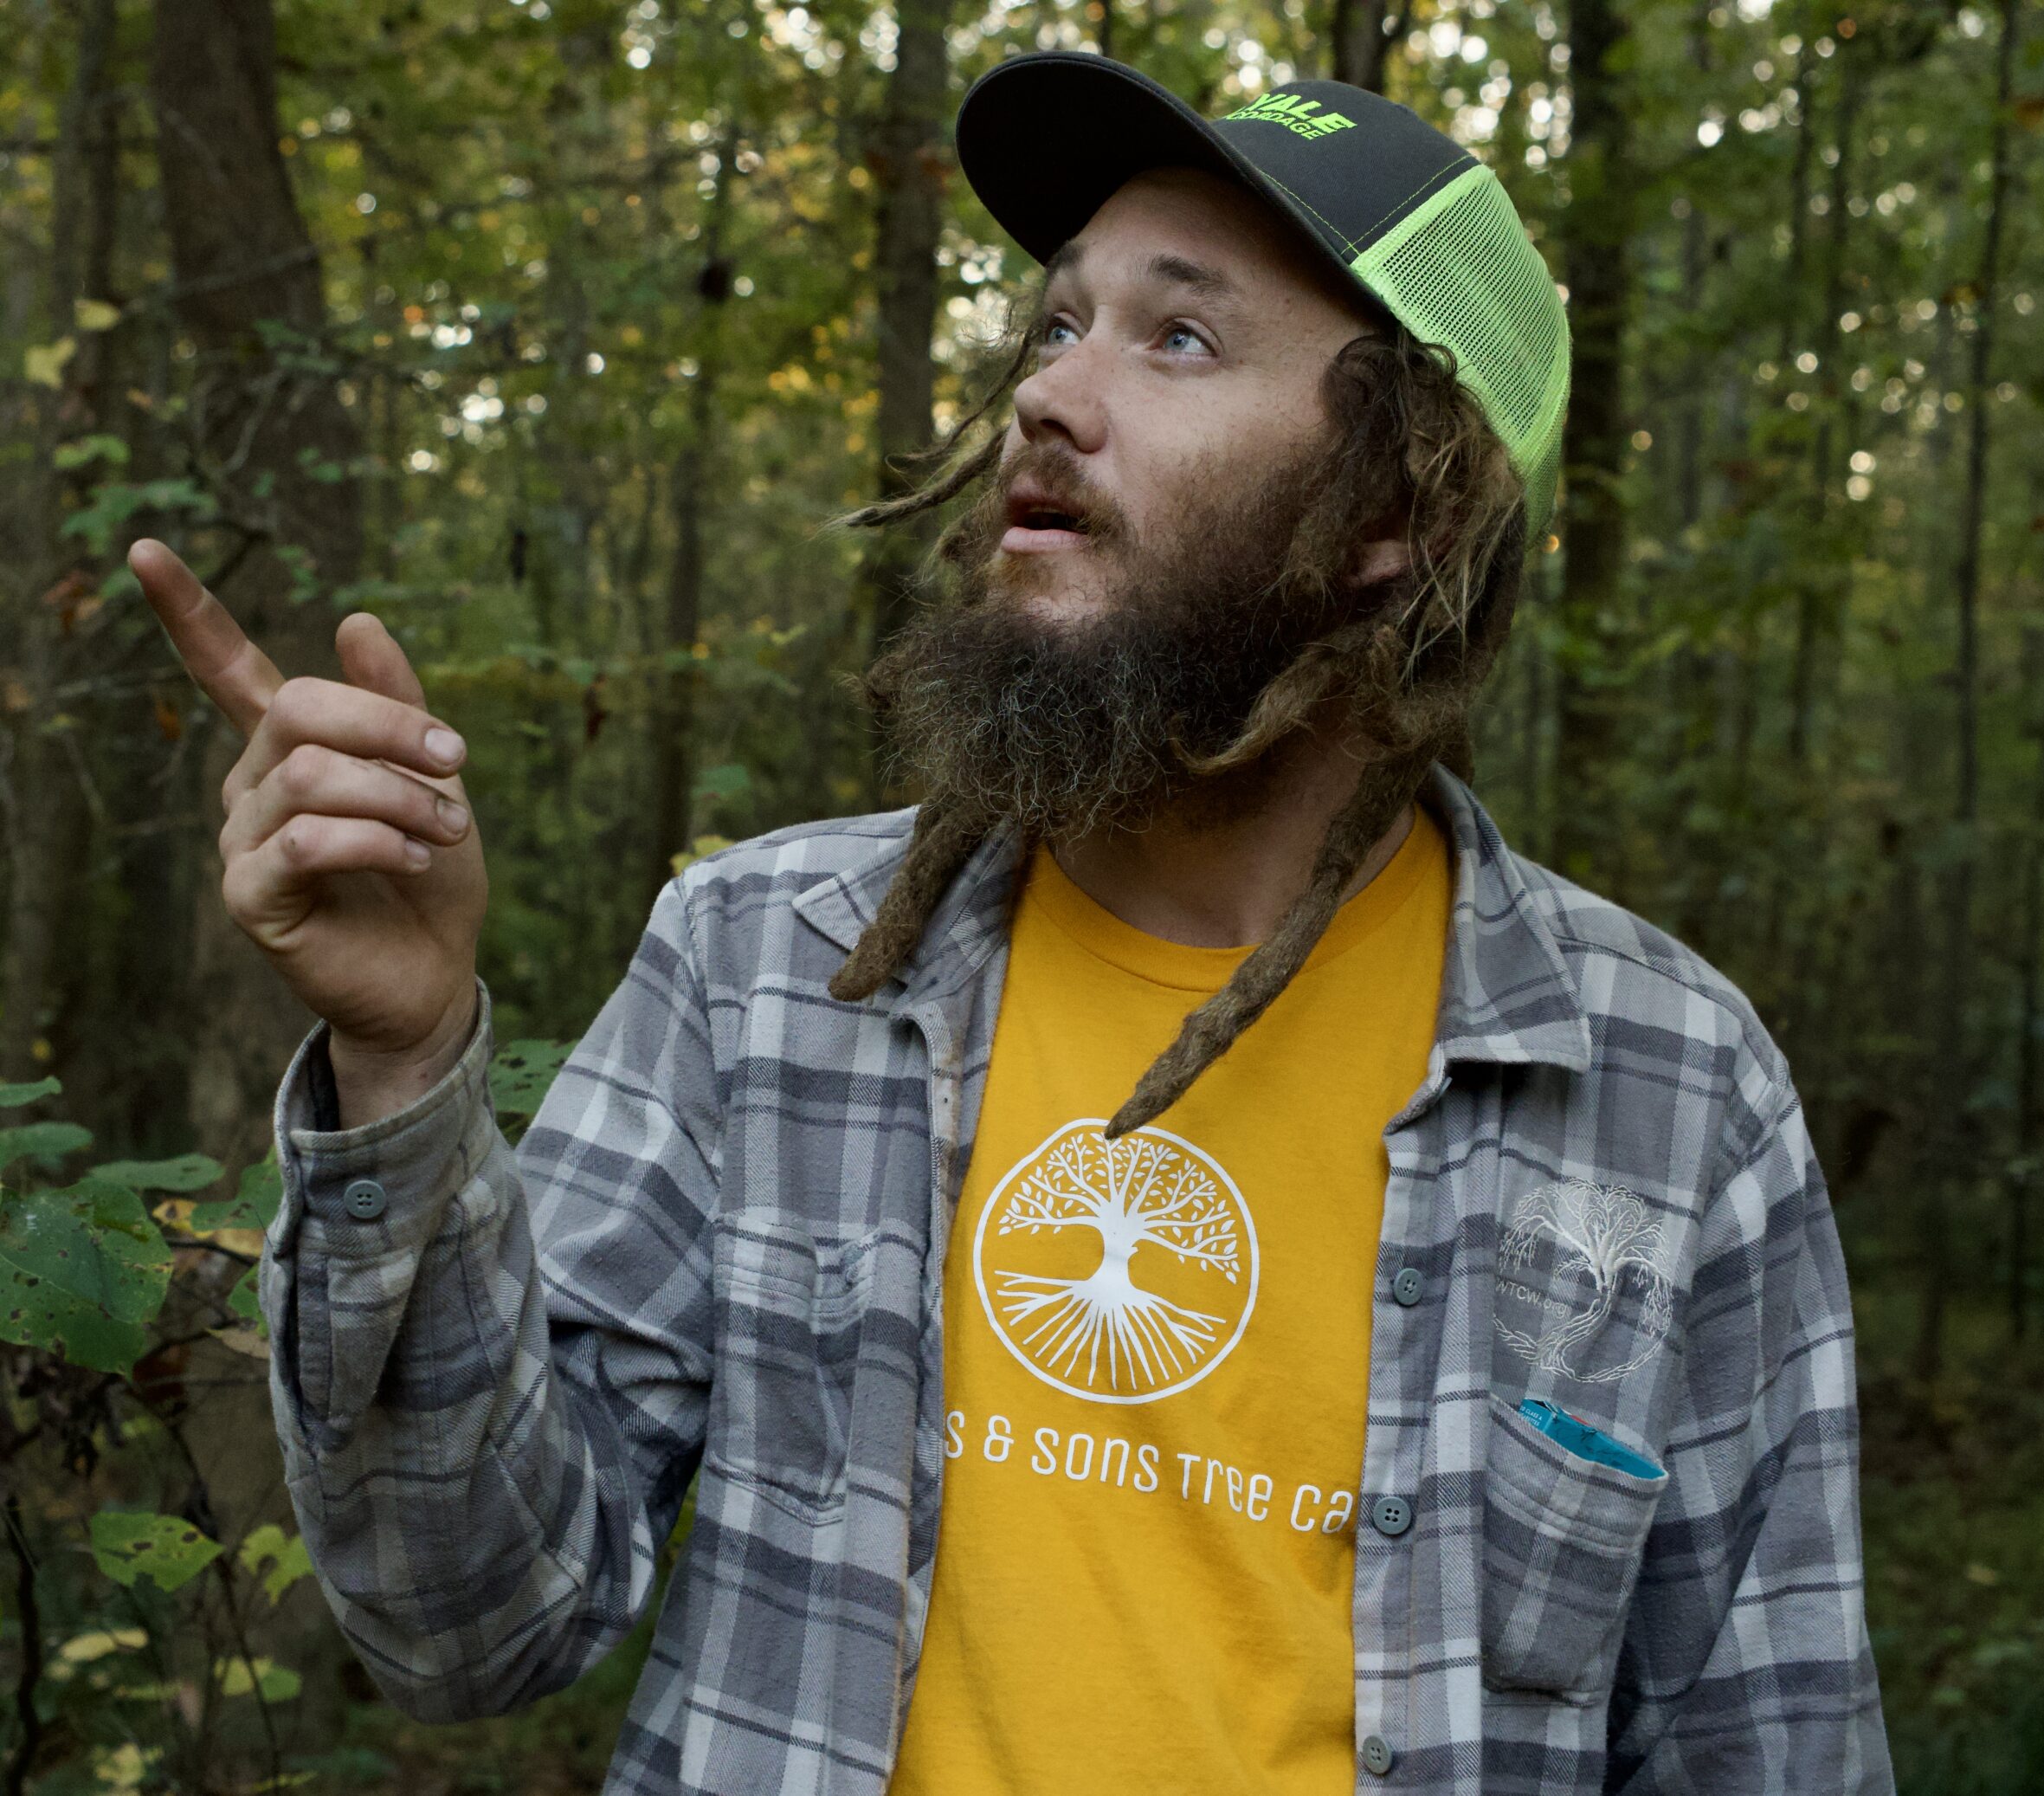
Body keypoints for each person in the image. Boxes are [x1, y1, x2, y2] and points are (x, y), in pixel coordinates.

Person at [133, 53, 1892, 1796]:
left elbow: (1769, 1746)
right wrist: (403, 1057)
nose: (1048, 396)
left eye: (1177, 336)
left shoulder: (1666, 1088)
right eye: (1056, 325)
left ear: (1395, 512)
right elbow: (463, 1620)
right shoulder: (765, 958)